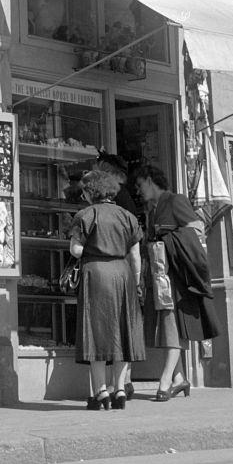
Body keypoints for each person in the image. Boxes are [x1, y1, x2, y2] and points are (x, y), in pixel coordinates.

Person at [133, 162, 221, 402]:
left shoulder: (175, 200)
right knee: (166, 327)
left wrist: (166, 240)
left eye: (140, 185)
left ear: (150, 180)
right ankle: (179, 378)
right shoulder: (153, 210)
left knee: (172, 327)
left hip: (175, 277)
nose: (138, 190)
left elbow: (197, 231)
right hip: (160, 275)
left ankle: (165, 381)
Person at [67, 159, 145, 410]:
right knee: (122, 332)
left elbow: (76, 250)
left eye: (84, 191)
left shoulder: (85, 215)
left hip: (96, 273)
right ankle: (120, 389)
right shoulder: (129, 217)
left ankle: (101, 392)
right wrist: (137, 282)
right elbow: (136, 255)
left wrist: (92, 246)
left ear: (92, 192)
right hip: (123, 274)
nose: (83, 194)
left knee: (96, 333)